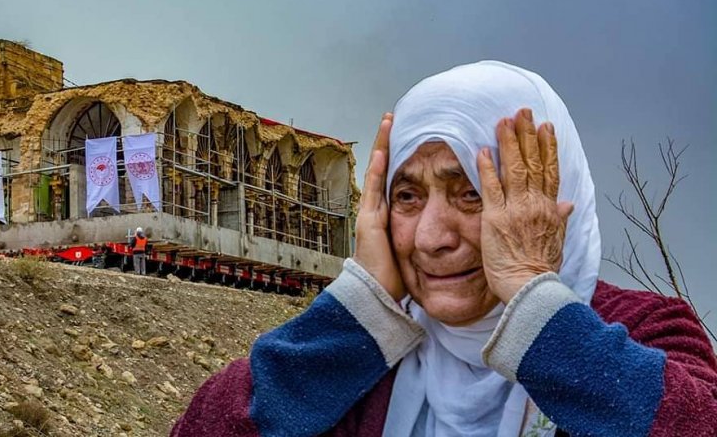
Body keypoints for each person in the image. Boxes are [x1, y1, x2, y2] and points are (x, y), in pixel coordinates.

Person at [171, 62, 717, 437]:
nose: (433, 236)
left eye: (473, 194)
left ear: (550, 194)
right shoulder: (364, 360)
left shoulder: (648, 332)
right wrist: (356, 314)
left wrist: (535, 300)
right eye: (407, 196)